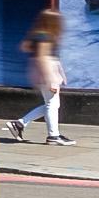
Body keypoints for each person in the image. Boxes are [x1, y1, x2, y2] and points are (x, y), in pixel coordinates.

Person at [17, 9, 69, 144]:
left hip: (45, 71)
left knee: (51, 104)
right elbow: (43, 58)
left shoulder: (39, 34)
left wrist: (60, 73)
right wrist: (50, 79)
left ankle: (20, 123)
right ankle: (53, 136)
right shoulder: (45, 36)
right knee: (52, 104)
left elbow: (25, 47)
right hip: (47, 72)